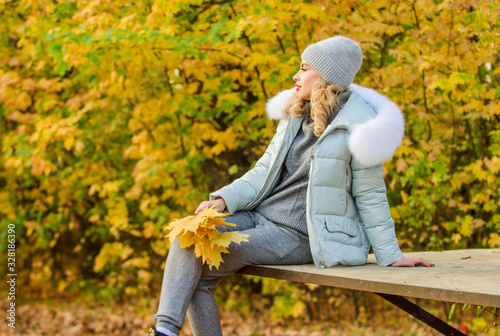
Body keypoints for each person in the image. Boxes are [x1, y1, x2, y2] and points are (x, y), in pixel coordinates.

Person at [147, 36, 433, 336]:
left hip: (298, 235)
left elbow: (371, 195)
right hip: (260, 215)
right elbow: (262, 171)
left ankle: (163, 332)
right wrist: (223, 201)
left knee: (194, 271)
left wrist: (391, 255)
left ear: (324, 76)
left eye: (304, 68)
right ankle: (164, 331)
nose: (295, 76)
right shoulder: (297, 113)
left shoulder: (361, 127)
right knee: (188, 232)